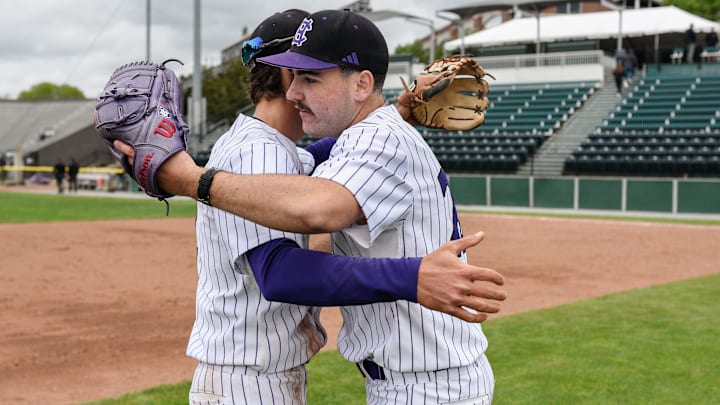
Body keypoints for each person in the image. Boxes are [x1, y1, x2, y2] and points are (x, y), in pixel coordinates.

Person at [116, 10, 505, 404]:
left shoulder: (324, 146)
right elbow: (282, 269)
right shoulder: (263, 151)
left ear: (361, 83)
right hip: (251, 379)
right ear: (283, 75)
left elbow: (317, 188)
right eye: (296, 74)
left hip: (419, 381)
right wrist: (411, 275)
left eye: (310, 76)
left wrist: (188, 179)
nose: (295, 91)